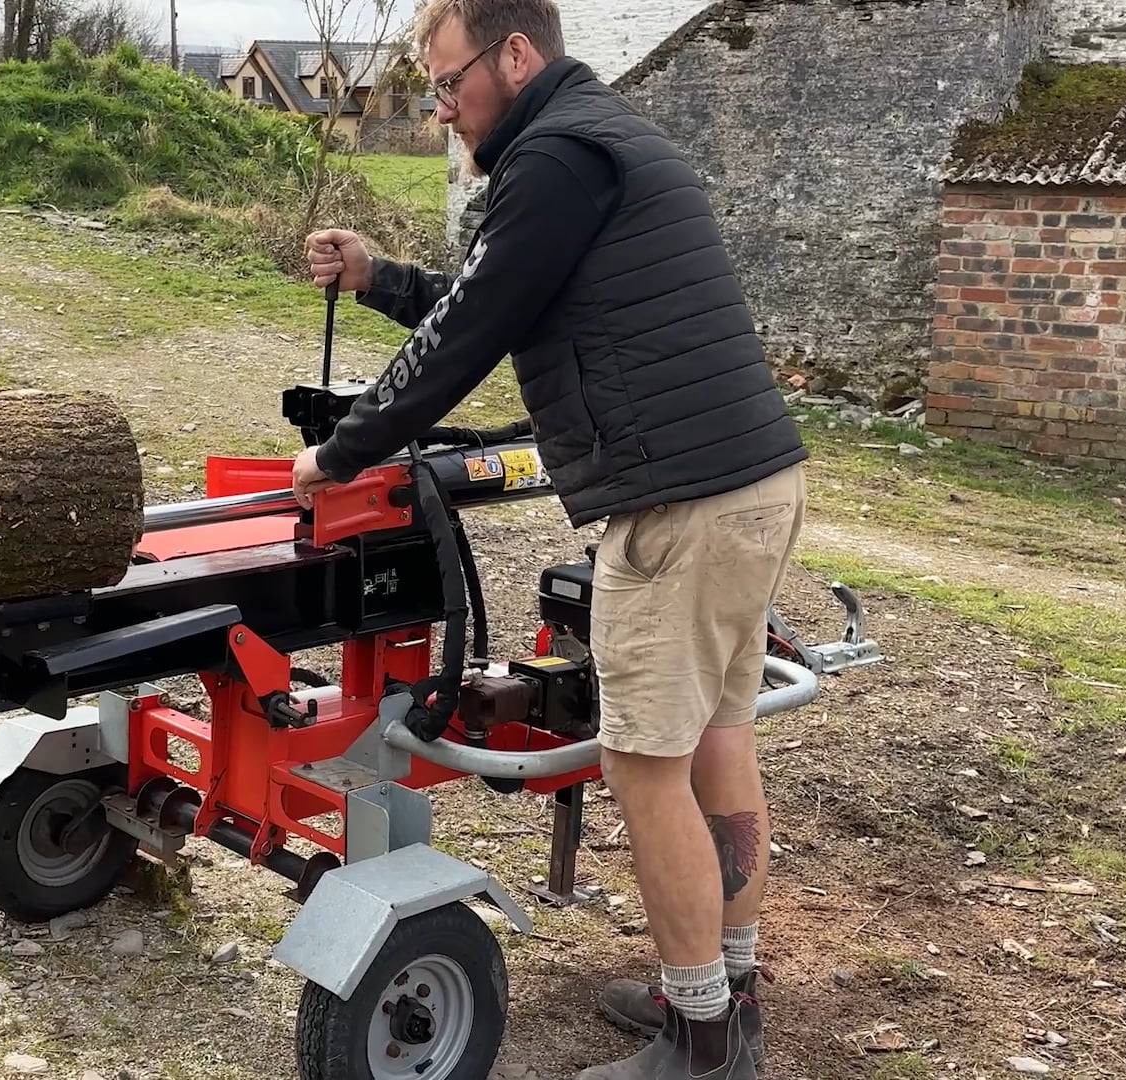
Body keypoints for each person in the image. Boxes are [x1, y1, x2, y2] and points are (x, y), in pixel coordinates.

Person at [287, 0, 809, 1077]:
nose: (442, 107)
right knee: (717, 741)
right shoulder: (599, 138)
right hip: (750, 480)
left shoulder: (554, 156)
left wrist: (339, 454)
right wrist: (380, 277)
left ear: (514, 54)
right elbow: (498, 300)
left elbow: (470, 334)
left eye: (448, 81)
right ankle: (724, 995)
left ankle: (702, 1047)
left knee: (644, 762)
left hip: (681, 504)